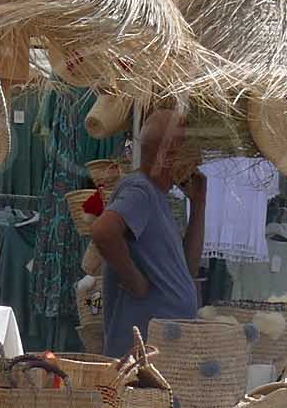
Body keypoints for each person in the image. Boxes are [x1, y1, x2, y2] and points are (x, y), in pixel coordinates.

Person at [87, 101, 205, 359]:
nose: (198, 160)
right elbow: (103, 231)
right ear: (168, 155)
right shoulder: (140, 191)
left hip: (161, 351)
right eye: (189, 151)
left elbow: (189, 269)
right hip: (139, 353)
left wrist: (198, 203)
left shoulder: (158, 197)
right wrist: (135, 281)